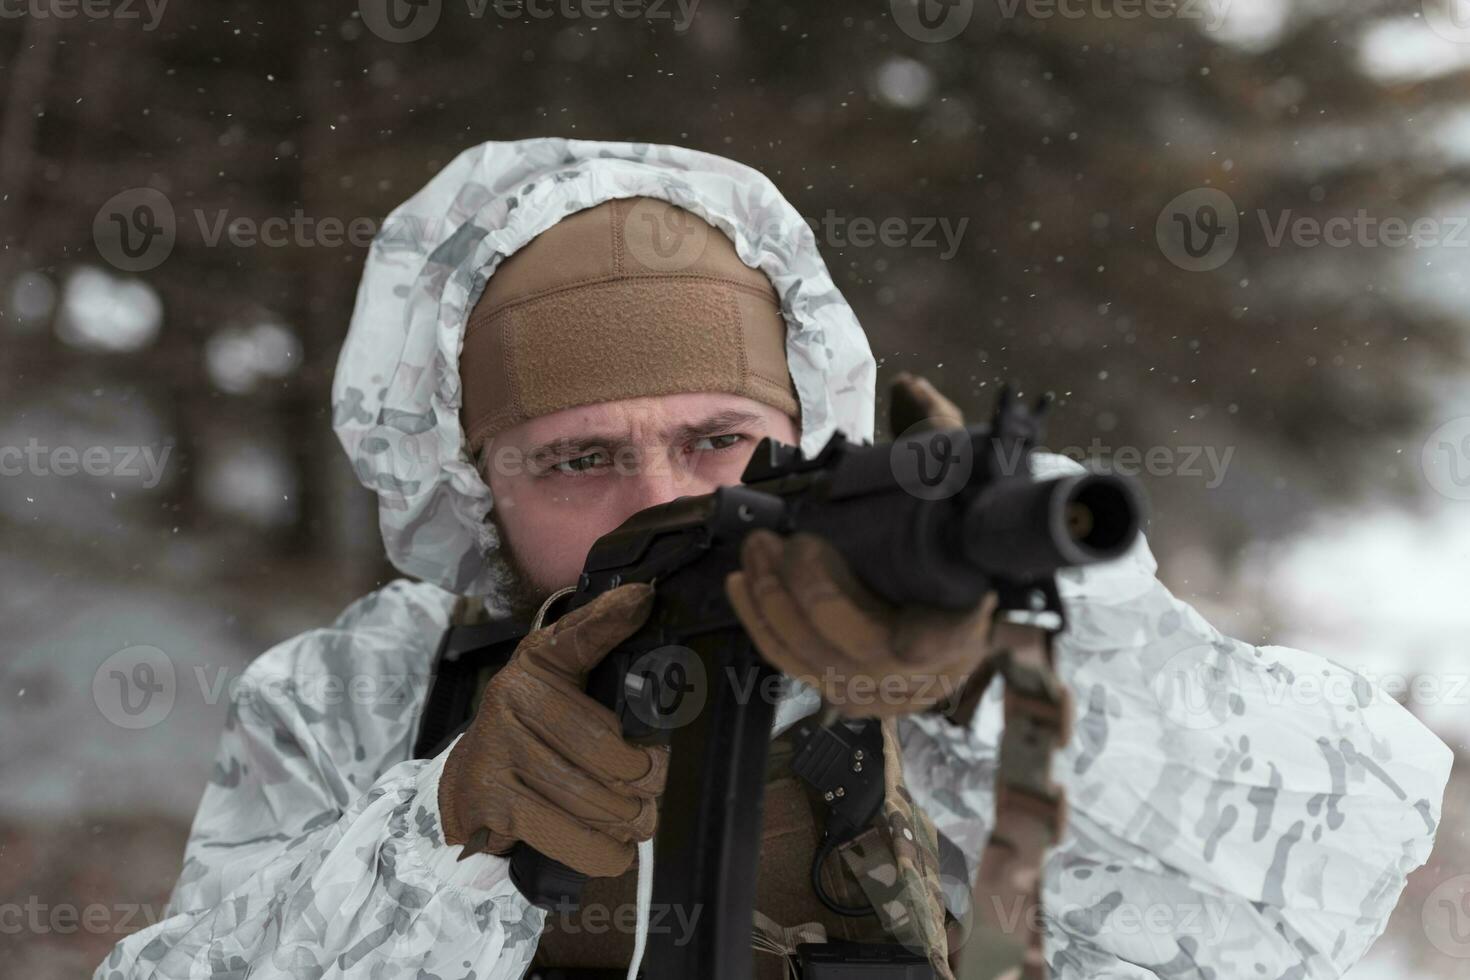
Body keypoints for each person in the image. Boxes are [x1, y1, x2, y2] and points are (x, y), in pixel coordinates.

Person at [94, 138, 1451, 980]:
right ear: (470, 482)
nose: (658, 496)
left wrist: (989, 682)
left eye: (718, 438)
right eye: (574, 458)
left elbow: (1330, 887)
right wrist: (446, 827)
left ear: (804, 427)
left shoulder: (969, 619)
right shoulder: (361, 695)